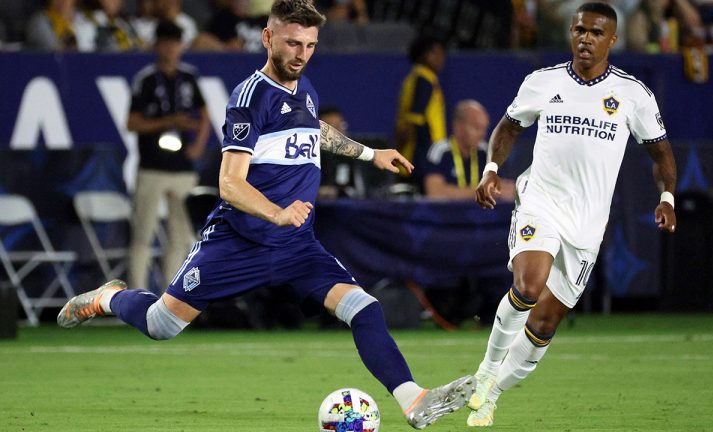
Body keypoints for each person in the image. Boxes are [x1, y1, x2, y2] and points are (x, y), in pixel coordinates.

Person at [57, 1, 474, 429]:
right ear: (268, 38)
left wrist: (370, 153)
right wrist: (276, 213)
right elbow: (230, 184)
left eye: (310, 45)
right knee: (161, 323)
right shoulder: (248, 99)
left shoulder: (305, 90)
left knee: (365, 309)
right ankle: (107, 297)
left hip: (296, 246)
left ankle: (413, 399)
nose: (301, 53)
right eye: (293, 42)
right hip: (238, 243)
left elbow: (315, 130)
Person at [465, 2, 677, 427]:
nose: (585, 38)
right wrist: (491, 170)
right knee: (528, 285)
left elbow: (661, 154)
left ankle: (492, 395)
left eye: (596, 33)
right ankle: (486, 370)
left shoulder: (633, 94)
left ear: (612, 40)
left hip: (587, 223)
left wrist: (667, 196)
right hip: (540, 200)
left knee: (543, 324)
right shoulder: (542, 82)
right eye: (579, 30)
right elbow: (508, 128)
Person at [125, 20, 211, 291]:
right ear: (157, 46)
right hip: (152, 167)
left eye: (176, 44)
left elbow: (205, 114)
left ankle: (170, 299)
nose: (172, 49)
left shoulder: (189, 77)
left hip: (182, 168)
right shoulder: (147, 79)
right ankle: (136, 296)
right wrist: (168, 121)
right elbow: (132, 123)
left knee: (182, 236)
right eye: (167, 43)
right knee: (143, 236)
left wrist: (198, 144)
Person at [423, 100, 515, 201]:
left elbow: (501, 188)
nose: (482, 134)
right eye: (476, 127)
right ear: (457, 126)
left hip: (481, 215)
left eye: (484, 128)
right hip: (446, 215)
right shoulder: (440, 151)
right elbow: (435, 192)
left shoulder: (486, 152)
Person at [394, 36, 448, 193]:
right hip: (420, 159)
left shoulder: (417, 78)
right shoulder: (423, 80)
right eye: (436, 53)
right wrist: (399, 153)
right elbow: (413, 123)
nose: (441, 58)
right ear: (424, 55)